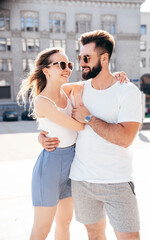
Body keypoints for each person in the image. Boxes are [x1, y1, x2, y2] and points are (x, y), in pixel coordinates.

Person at [39, 30, 142, 240]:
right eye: (79, 58)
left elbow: (125, 139)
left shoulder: (127, 91)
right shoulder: (78, 88)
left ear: (104, 58)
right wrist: (41, 135)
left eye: (86, 58)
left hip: (117, 181)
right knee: (94, 235)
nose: (81, 64)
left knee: (129, 237)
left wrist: (89, 118)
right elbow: (45, 101)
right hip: (81, 181)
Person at [17, 47, 86, 240]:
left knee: (64, 224)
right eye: (61, 64)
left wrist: (118, 75)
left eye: (69, 64)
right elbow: (78, 126)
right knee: (42, 230)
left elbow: (94, 82)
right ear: (46, 70)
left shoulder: (67, 90)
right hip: (50, 169)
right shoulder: (42, 101)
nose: (67, 69)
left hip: (72, 168)